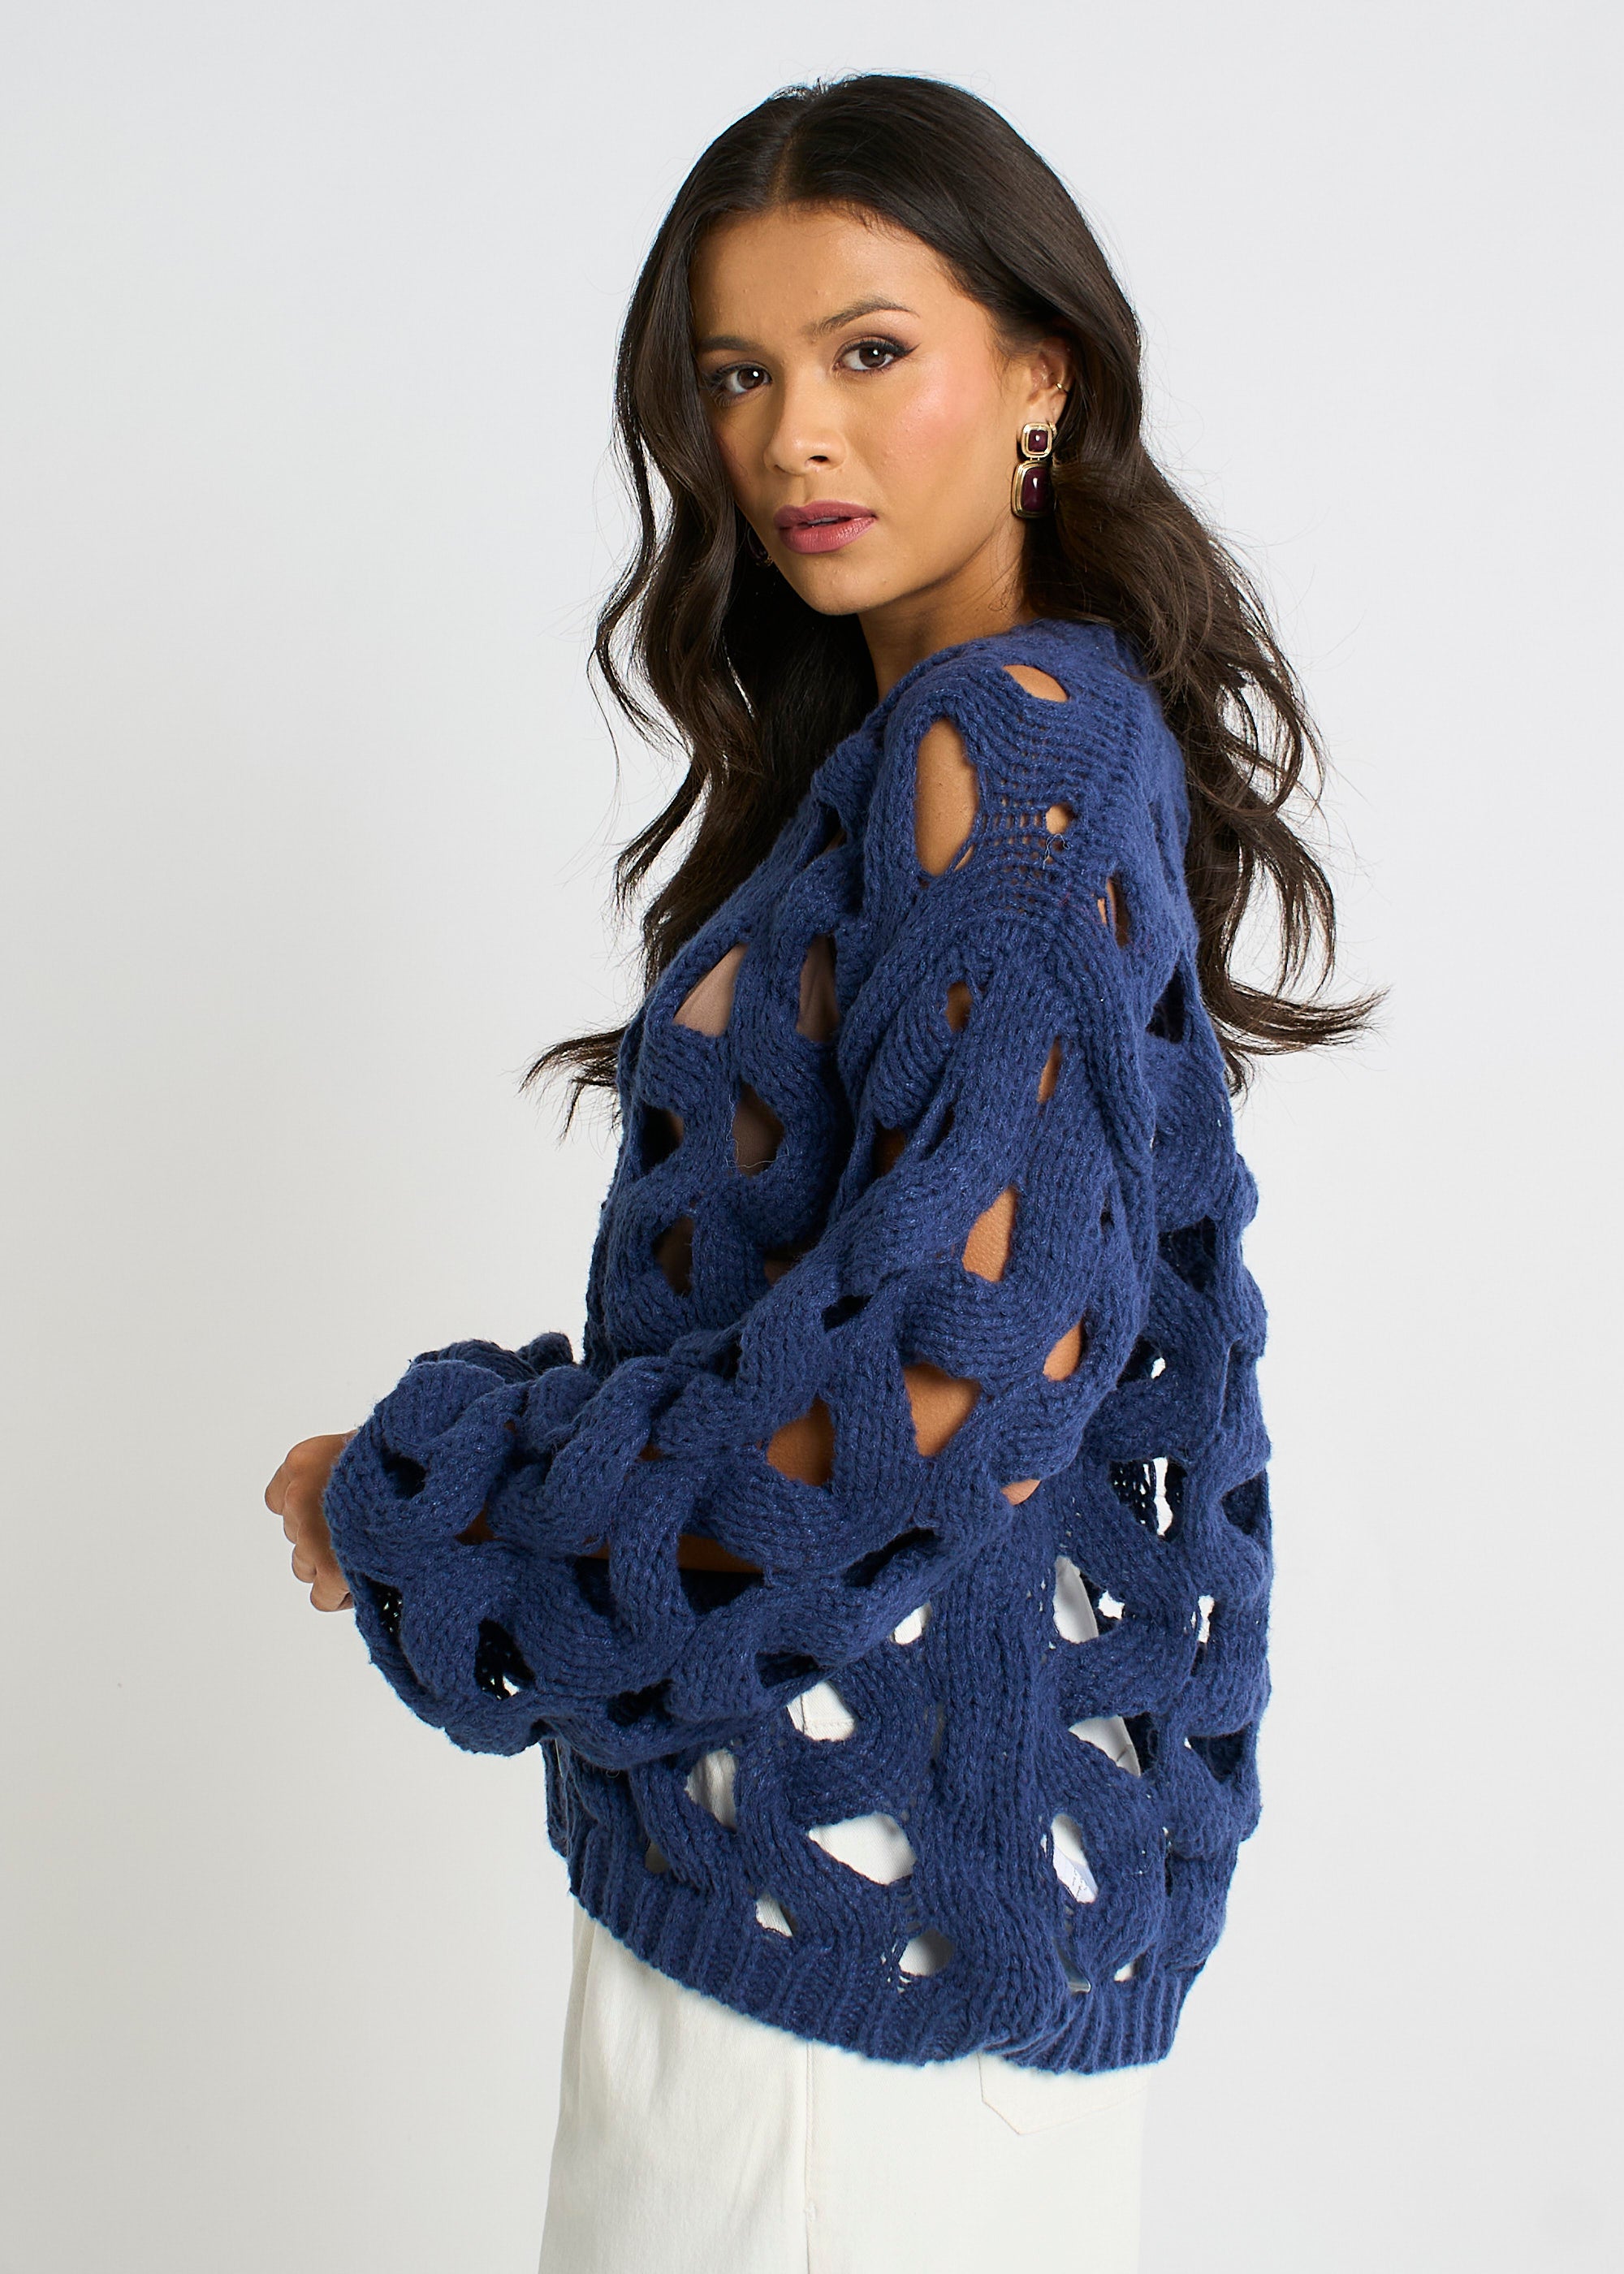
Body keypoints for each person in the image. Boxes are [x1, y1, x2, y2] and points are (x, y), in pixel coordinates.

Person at [266, 73, 1374, 2274]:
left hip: (852, 1928)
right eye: (739, 376)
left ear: (1042, 376)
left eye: (871, 350)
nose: (794, 439)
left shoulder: (1008, 743)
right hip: (847, 1861)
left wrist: (443, 1497)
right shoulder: (934, 754)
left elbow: (952, 1369)